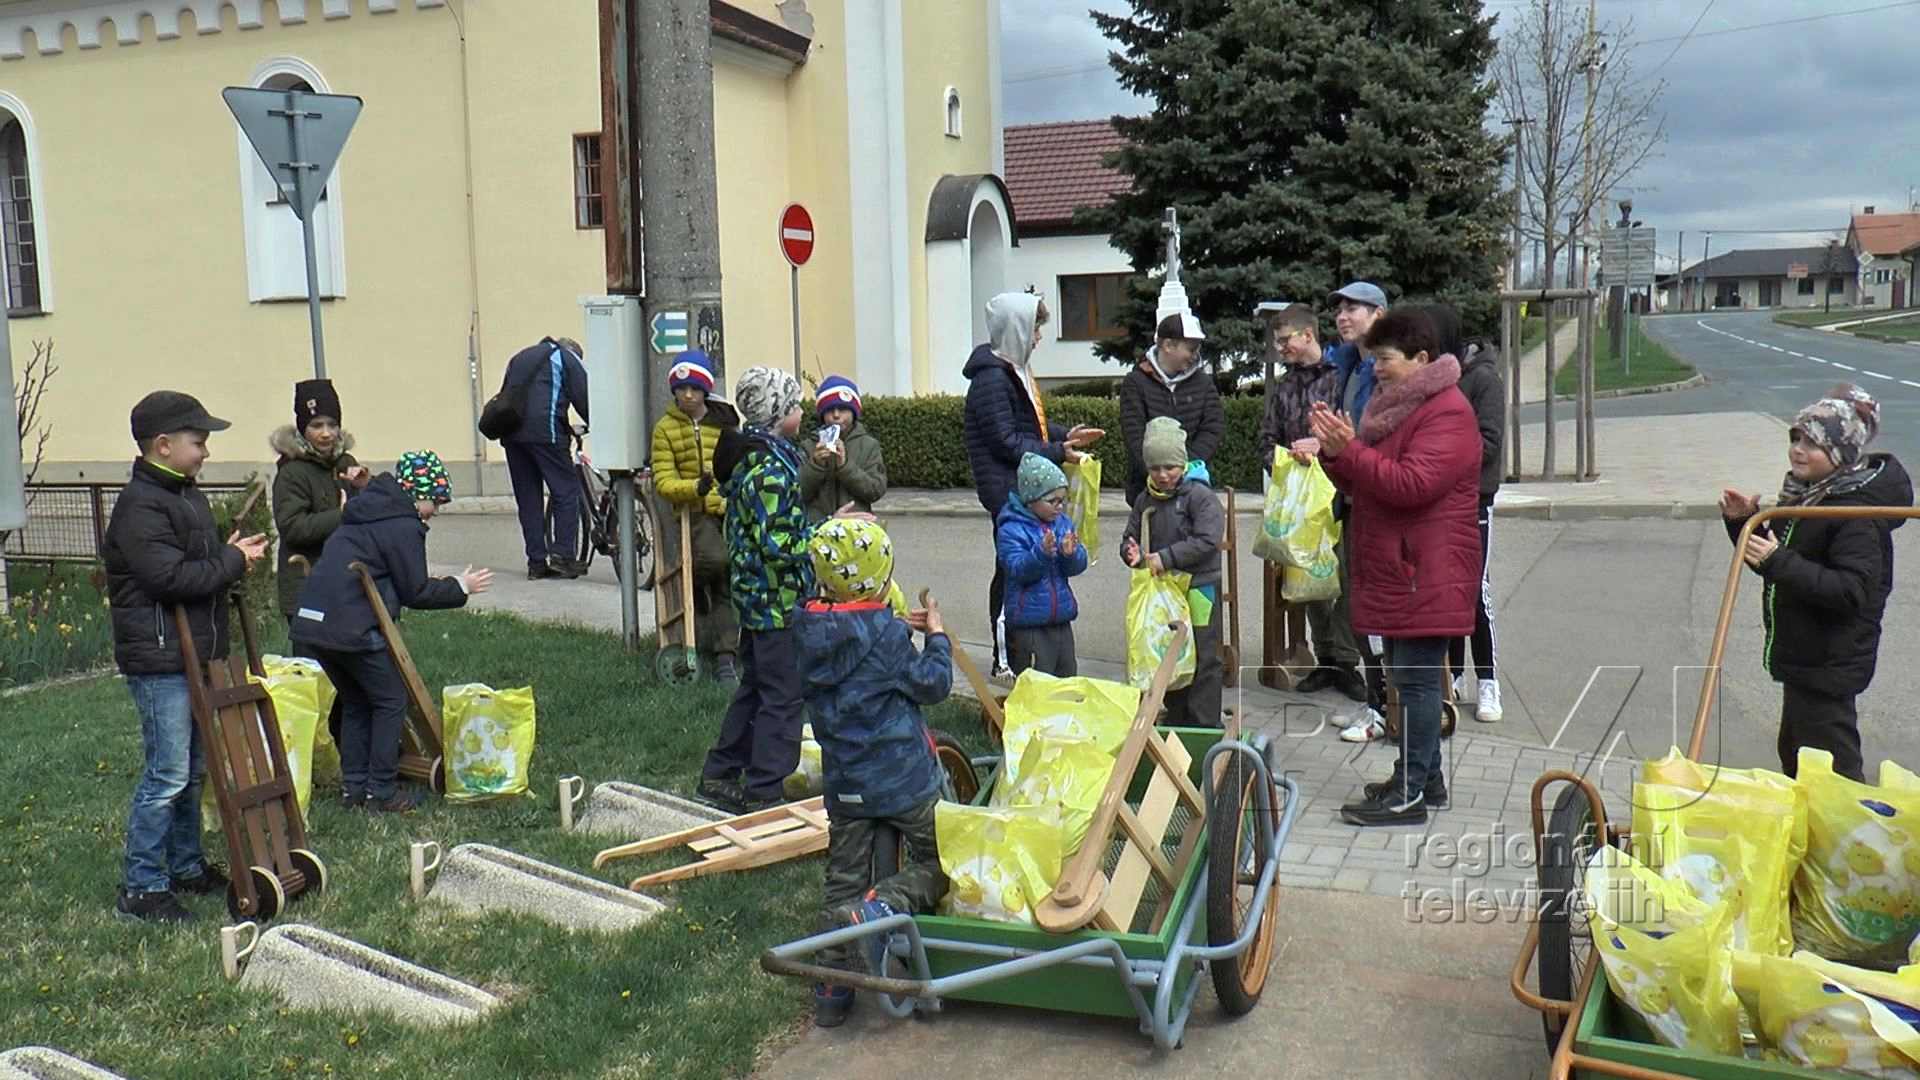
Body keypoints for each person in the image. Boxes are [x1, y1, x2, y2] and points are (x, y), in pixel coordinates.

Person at [1309, 308, 1480, 826]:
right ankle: (1427, 782)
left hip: (1426, 569)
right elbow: (1367, 480)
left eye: (1385, 359)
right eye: (1374, 359)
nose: (1377, 369)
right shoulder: (1399, 408)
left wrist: (1352, 452)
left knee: (1418, 685)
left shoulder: (1446, 412)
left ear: (1421, 359)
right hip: (1407, 568)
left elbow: (1410, 485)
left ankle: (1409, 793)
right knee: (1408, 680)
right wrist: (1337, 454)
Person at [104, 391, 269, 922]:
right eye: (198, 442)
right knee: (167, 774)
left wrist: (229, 555)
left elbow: (197, 564)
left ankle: (185, 866)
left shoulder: (182, 495)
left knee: (193, 772)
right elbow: (169, 578)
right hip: (160, 662)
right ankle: (142, 887)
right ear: (163, 444)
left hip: (193, 655)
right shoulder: (142, 505)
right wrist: (230, 560)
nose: (205, 452)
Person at [794, 519, 953, 1027]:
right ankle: (885, 903)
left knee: (841, 881)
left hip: (846, 786)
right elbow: (933, 684)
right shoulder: (886, 636)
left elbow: (850, 633)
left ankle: (831, 988)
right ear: (879, 582)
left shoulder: (806, 628)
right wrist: (937, 637)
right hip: (902, 781)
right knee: (944, 861)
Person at [1719, 385, 1910, 783]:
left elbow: (1850, 591)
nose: (1798, 451)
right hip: (1806, 660)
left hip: (1829, 663)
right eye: (1796, 439)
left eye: (1813, 443)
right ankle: (1814, 819)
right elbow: (1779, 563)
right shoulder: (1811, 498)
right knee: (1799, 758)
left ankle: (1847, 822)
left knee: (1833, 772)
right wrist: (1744, 524)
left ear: (1841, 454)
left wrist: (1777, 559)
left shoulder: (1854, 516)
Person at [291, 451, 492, 812]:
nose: (435, 511)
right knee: (390, 700)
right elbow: (416, 591)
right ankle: (381, 791)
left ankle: (354, 789)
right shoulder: (403, 524)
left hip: (314, 624)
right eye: (436, 502)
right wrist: (461, 586)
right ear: (418, 495)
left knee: (356, 701)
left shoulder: (365, 512)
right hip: (353, 626)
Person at [699, 367, 853, 814]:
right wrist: (828, 531)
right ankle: (764, 790)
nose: (801, 411)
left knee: (756, 688)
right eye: (793, 405)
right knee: (783, 697)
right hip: (775, 603)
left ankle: (720, 773)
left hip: (760, 598)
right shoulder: (768, 469)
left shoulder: (762, 456)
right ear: (775, 414)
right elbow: (778, 542)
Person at [962, 291, 1103, 674]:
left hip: (1022, 487)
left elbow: (1029, 425)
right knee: (1012, 571)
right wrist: (1058, 451)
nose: (1039, 337)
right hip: (1008, 492)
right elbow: (1006, 441)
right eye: (1034, 328)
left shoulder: (1013, 370)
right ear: (1016, 329)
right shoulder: (993, 379)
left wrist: (1064, 435)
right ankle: (1006, 659)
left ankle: (1029, 654)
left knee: (1035, 565)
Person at [1296, 282, 1391, 709]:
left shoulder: (1387, 370)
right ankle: (1369, 695)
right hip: (1345, 495)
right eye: (1339, 310)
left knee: (1367, 596)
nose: (1342, 317)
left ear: (1379, 315)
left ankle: (1380, 700)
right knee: (1336, 583)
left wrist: (1335, 444)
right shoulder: (1348, 366)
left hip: (1378, 497)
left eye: (1354, 308)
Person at [1255, 302, 1357, 691]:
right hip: (1300, 498)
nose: (1280, 348)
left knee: (1347, 576)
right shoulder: (1285, 386)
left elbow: (1355, 431)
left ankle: (1347, 660)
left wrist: (1323, 449)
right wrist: (1287, 462)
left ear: (1308, 334)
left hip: (1340, 491)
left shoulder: (1341, 376)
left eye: (1285, 341)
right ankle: (1326, 657)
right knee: (1310, 579)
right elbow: (1266, 441)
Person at [1428, 306, 1507, 723]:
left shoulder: (1483, 379)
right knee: (1447, 591)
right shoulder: (1439, 380)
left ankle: (1488, 682)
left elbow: (1489, 443)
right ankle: (1454, 675)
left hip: (1474, 499)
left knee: (1475, 592)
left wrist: (1443, 457)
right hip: (1439, 501)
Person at [1122, 417, 1227, 727]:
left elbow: (1207, 540)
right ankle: (1178, 720)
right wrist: (1130, 552)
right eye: (1155, 468)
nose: (1163, 475)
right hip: (1165, 592)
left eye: (1170, 467)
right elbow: (1130, 535)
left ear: (1182, 463)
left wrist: (1165, 557)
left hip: (1199, 587)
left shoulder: (1200, 497)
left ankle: (1205, 723)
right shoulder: (1144, 499)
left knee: (1204, 653)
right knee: (1173, 653)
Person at [649, 352, 742, 683]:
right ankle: (696, 589)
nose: (688, 395)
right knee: (717, 561)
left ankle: (726, 656)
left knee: (726, 582)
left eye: (695, 388)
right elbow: (663, 480)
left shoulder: (724, 422)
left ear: (706, 390)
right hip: (694, 513)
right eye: (681, 388)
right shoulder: (665, 428)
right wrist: (694, 488)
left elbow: (738, 464)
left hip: (727, 511)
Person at [272, 378, 370, 629]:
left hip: (346, 582)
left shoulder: (345, 462)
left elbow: (372, 512)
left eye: (332, 425)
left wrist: (365, 486)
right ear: (302, 428)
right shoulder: (292, 472)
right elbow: (293, 528)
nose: (326, 433)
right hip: (307, 585)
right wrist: (342, 514)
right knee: (314, 654)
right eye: (316, 425)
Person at [497, 336, 590, 581]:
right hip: (546, 434)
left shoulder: (519, 358)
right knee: (566, 492)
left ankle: (536, 563)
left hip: (512, 434)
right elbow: (584, 397)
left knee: (528, 499)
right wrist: (598, 427)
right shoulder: (566, 358)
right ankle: (563, 557)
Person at [996, 452, 1089, 677]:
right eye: (1052, 501)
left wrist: (1070, 554)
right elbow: (1017, 568)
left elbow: (1078, 565)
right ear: (1031, 499)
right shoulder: (1011, 529)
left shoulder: (1062, 523)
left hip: (1061, 617)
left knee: (1067, 674)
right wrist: (1041, 553)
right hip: (1029, 621)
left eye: (1062, 501)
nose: (1059, 507)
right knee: (1038, 678)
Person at [1119, 311, 1225, 505]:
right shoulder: (1135, 383)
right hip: (1146, 490)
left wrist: (1183, 468)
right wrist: (1159, 473)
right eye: (1191, 349)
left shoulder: (1204, 383)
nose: (1195, 355)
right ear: (1168, 345)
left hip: (1193, 488)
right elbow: (1134, 434)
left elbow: (1213, 428)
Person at [801, 375, 887, 521]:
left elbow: (875, 490)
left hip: (857, 525)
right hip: (818, 526)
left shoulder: (868, 446)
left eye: (842, 409)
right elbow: (798, 493)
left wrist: (845, 466)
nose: (836, 415)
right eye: (829, 410)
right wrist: (816, 465)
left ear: (854, 412)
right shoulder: (809, 446)